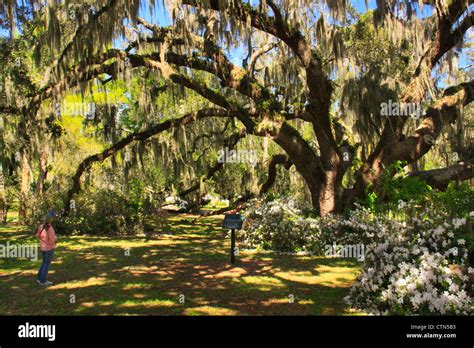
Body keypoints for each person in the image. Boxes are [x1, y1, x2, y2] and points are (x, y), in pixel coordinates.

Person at [36, 211, 58, 286]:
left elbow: (38, 235)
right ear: (51, 219)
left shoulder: (41, 226)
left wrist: (43, 240)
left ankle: (39, 278)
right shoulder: (50, 228)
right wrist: (55, 239)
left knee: (44, 263)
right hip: (49, 249)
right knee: (46, 264)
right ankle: (43, 281)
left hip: (43, 247)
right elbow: (51, 240)